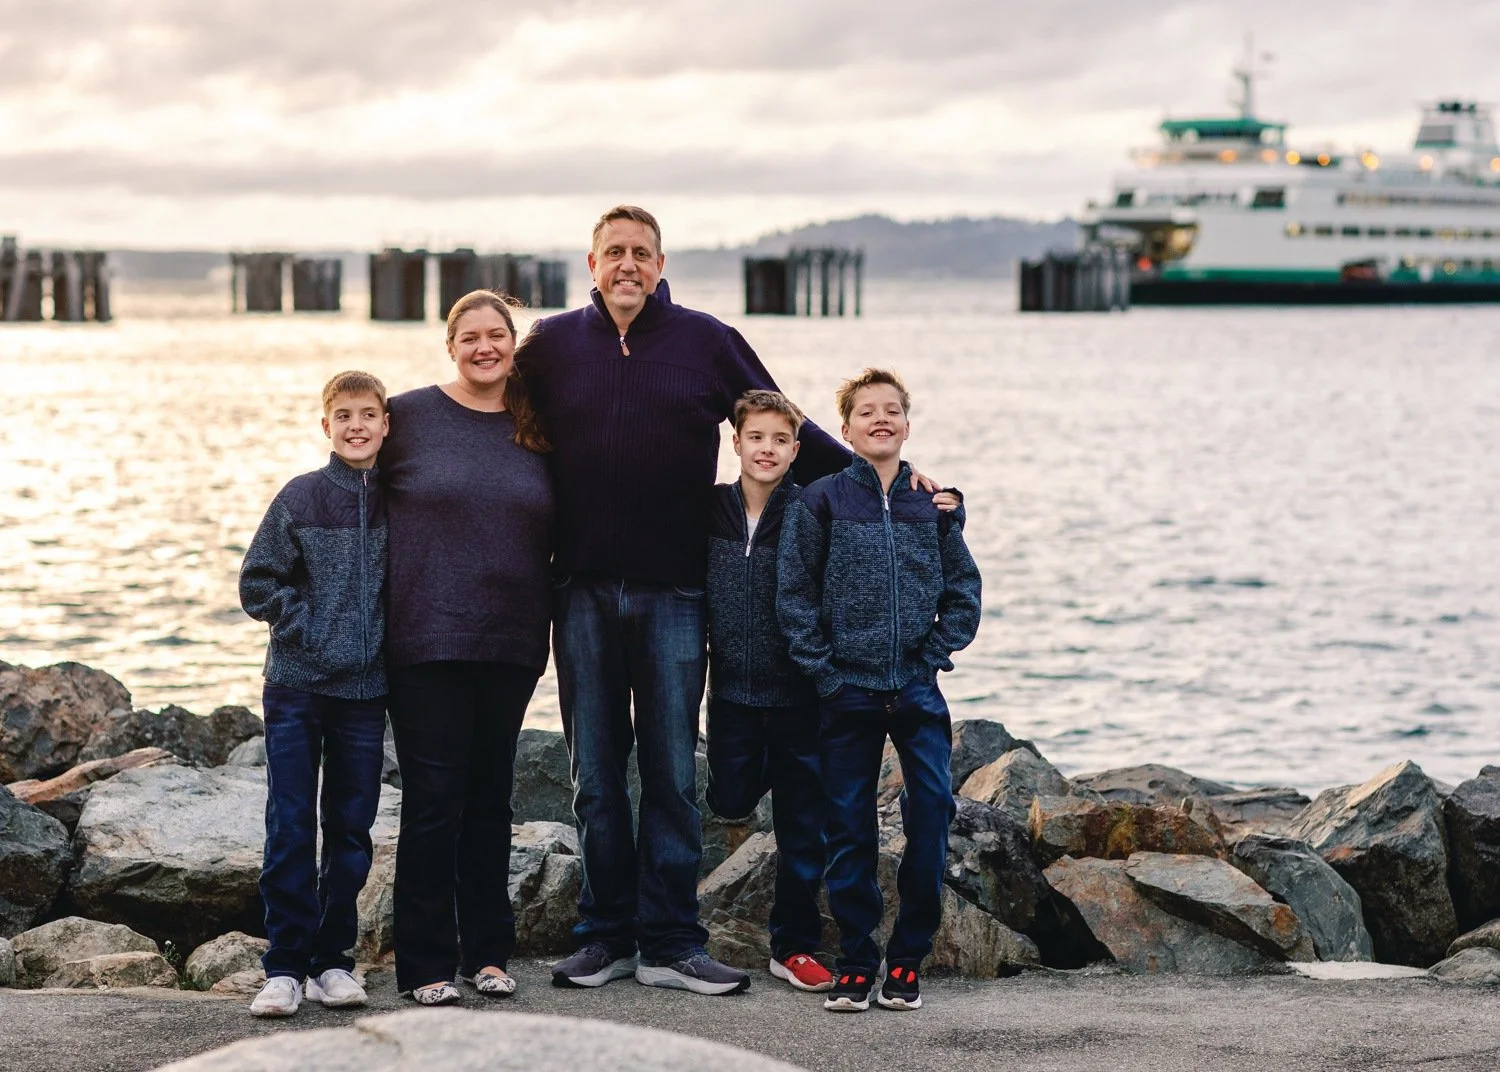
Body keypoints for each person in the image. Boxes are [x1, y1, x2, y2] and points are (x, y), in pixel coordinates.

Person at [516, 205, 867, 996]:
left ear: (662, 263)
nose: (628, 265)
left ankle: (671, 941)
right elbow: (488, 408)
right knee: (595, 776)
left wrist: (876, 482)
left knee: (674, 774)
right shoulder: (553, 344)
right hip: (577, 591)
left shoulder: (706, 341)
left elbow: (789, 430)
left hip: (675, 590)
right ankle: (604, 936)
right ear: (592, 263)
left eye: (642, 252)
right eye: (615, 253)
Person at [778, 367, 982, 1014]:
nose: (880, 420)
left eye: (892, 410)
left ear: (906, 423)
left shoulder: (933, 504)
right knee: (848, 830)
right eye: (866, 412)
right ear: (845, 430)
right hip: (846, 692)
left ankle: (907, 960)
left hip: (916, 691)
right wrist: (826, 673)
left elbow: (964, 590)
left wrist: (933, 654)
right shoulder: (823, 501)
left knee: (930, 817)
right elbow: (795, 595)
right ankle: (858, 961)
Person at [379, 289, 555, 1005]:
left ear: (514, 344)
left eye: (498, 335)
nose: (486, 347)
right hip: (424, 638)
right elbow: (348, 490)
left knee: (489, 802)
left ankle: (487, 954)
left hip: (512, 639)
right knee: (432, 802)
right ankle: (424, 964)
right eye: (471, 336)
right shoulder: (411, 416)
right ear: (450, 346)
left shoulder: (541, 422)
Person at [239, 370, 391, 1018]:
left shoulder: (399, 503)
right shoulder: (300, 498)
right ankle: (284, 967)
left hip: (364, 693)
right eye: (344, 416)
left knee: (352, 832)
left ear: (386, 424)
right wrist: (305, 630)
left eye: (368, 415)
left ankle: (333, 961)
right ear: (325, 425)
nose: (356, 426)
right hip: (296, 688)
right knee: (291, 825)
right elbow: (256, 583)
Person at [703, 389, 831, 993]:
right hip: (730, 692)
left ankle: (794, 945)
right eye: (756, 437)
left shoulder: (811, 510)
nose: (767, 449)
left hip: (800, 696)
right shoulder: (710, 510)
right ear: (736, 442)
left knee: (802, 823)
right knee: (729, 799)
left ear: (796, 450)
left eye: (781, 440)